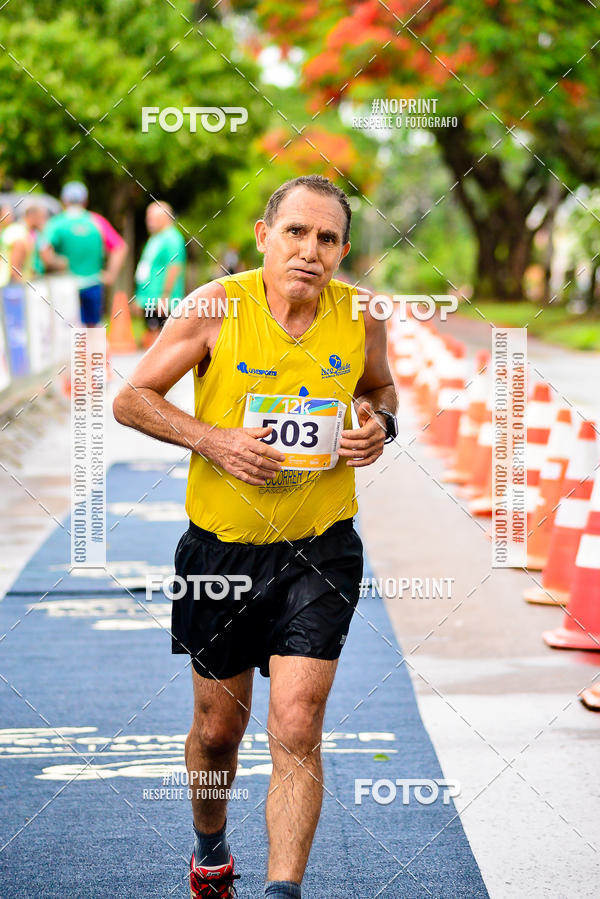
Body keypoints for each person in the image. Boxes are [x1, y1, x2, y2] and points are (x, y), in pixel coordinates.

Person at [113, 174, 398, 899]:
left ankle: (282, 891)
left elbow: (379, 388)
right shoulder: (214, 307)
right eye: (296, 232)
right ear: (265, 235)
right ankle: (210, 847)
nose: (310, 250)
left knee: (298, 725)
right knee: (218, 733)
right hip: (222, 553)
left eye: (327, 238)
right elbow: (132, 398)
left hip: (320, 546)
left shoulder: (361, 314)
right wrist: (212, 439)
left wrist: (380, 425)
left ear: (342, 250)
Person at [39, 181, 125, 326]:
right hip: (93, 283)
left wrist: (55, 263)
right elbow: (120, 247)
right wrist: (111, 275)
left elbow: (43, 249)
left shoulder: (57, 223)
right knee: (93, 327)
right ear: (85, 201)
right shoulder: (96, 221)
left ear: (64, 200)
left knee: (68, 328)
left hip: (65, 285)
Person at [134, 201, 186, 337]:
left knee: (161, 339)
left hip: (162, 301)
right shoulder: (155, 238)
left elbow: (175, 267)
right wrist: (140, 297)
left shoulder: (173, 238)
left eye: (152, 218)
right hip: (149, 299)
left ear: (166, 217)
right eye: (148, 218)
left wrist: (165, 297)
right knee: (151, 338)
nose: (148, 221)